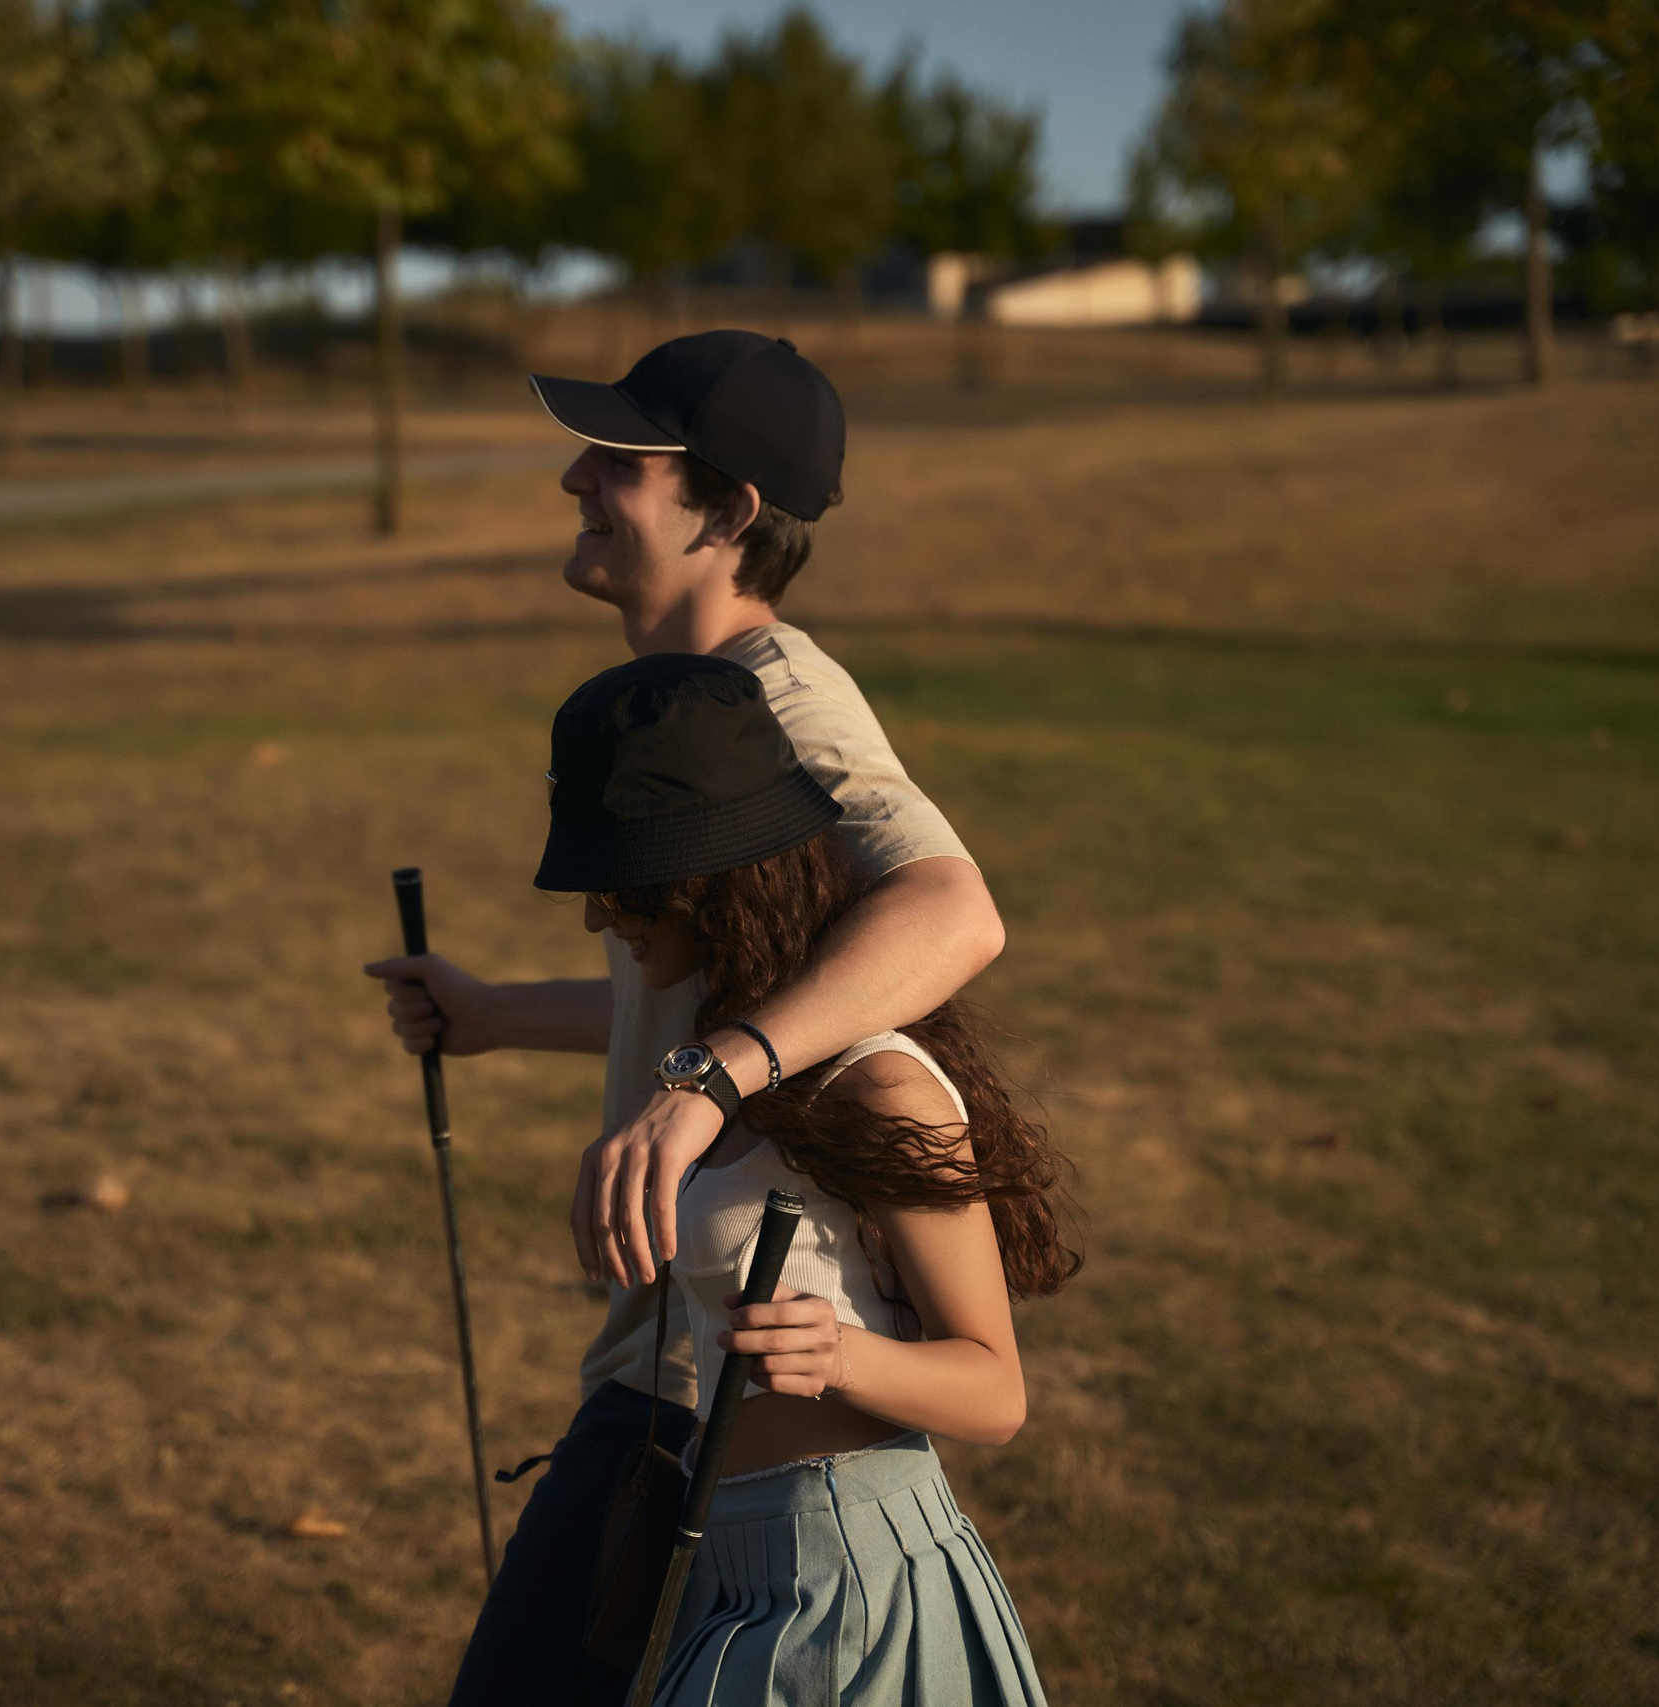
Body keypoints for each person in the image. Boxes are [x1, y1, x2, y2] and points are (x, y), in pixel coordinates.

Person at [361, 331, 1005, 1705]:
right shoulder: (691, 705)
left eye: (621, 461)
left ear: (728, 513)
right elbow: (729, 983)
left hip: (703, 1387)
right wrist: (493, 1015)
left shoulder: (781, 703)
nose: (574, 480)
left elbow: (955, 914)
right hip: (667, 1355)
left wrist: (706, 1083)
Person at [536, 652, 1077, 1705]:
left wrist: (838, 1353)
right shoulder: (726, 1053)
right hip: (721, 1556)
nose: (598, 917)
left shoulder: (877, 1085)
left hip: (847, 1575)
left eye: (619, 884)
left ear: (712, 879)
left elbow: (996, 1392)